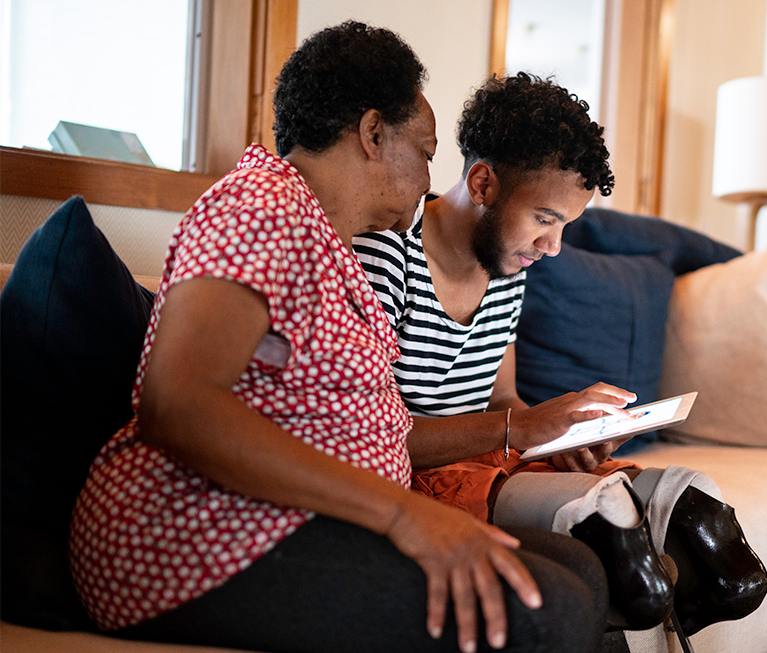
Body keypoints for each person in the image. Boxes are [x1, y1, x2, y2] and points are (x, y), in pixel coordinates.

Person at [68, 23, 607, 653]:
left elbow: (380, 425)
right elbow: (177, 405)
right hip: (195, 532)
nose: (432, 176)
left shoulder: (332, 245)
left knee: (582, 572)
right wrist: (404, 511)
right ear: (373, 135)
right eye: (426, 152)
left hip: (300, 514)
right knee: (549, 608)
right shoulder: (261, 210)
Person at [353, 73, 767, 636]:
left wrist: (564, 438)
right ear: (482, 183)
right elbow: (372, 438)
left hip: (491, 461)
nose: (552, 248)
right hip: (416, 478)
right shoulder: (386, 256)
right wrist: (520, 429)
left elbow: (501, 398)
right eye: (545, 220)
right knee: (622, 551)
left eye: (564, 226)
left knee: (709, 532)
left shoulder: (506, 271)